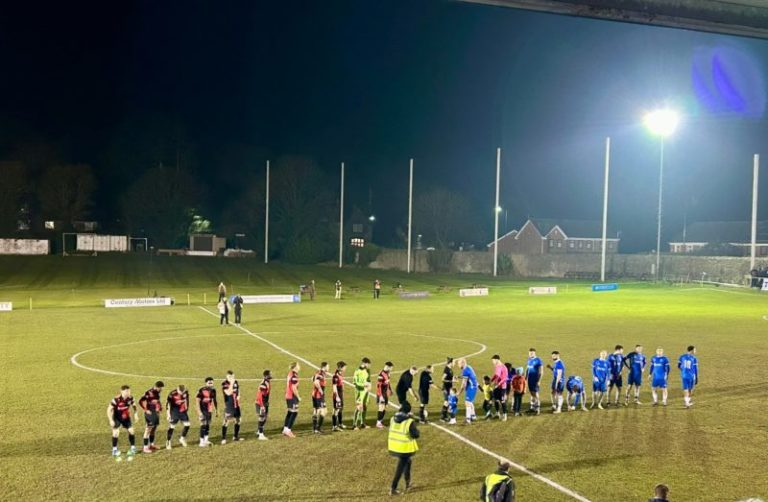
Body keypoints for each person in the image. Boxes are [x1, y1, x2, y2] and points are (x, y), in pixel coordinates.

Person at [388, 401, 420, 496]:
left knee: (408, 462)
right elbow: (416, 435)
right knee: (400, 468)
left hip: (393, 446)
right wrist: (412, 419)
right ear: (408, 411)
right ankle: (393, 488)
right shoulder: (409, 421)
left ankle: (408, 484)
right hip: (404, 448)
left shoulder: (392, 419)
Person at [107, 385, 138, 459]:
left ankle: (133, 447)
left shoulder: (131, 398)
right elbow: (109, 409)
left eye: (129, 391)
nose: (128, 393)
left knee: (131, 431)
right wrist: (111, 420)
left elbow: (134, 405)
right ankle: (114, 449)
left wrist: (136, 414)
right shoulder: (116, 399)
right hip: (117, 418)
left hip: (126, 417)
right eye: (126, 391)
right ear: (122, 391)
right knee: (115, 433)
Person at [138, 381, 164, 453]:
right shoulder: (148, 393)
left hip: (155, 413)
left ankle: (151, 445)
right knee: (148, 429)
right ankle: (145, 447)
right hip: (149, 413)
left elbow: (157, 402)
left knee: (154, 429)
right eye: (160, 388)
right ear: (157, 387)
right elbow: (140, 401)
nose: (161, 390)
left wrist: (160, 407)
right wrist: (145, 410)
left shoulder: (157, 393)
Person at [165, 384, 190, 449]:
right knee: (172, 426)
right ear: (177, 390)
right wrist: (168, 414)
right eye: (180, 392)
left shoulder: (186, 392)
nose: (182, 393)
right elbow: (168, 404)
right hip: (174, 412)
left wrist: (186, 409)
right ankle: (168, 441)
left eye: (183, 392)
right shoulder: (172, 394)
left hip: (182, 411)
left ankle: (182, 438)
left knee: (187, 425)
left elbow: (187, 400)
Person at [221, 370, 243, 444]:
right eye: (230, 376)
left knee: (238, 420)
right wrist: (232, 383)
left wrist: (239, 395)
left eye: (233, 376)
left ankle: (235, 437)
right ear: (227, 376)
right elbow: (228, 392)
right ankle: (223, 438)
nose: (232, 378)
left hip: (236, 404)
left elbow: (238, 389)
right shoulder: (224, 383)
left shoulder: (235, 382)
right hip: (229, 405)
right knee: (226, 421)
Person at [196, 377, 218, 447]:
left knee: (208, 424)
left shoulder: (213, 390)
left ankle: (206, 440)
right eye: (209, 383)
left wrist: (216, 410)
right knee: (203, 424)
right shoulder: (202, 390)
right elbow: (197, 401)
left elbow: (214, 400)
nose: (211, 384)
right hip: (202, 410)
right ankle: (201, 442)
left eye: (212, 382)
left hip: (209, 410)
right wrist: (199, 412)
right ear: (206, 383)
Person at [353, 357, 372, 429]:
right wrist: (364, 387)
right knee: (359, 407)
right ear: (364, 363)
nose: (369, 366)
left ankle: (362, 423)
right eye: (368, 364)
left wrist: (369, 387)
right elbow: (355, 383)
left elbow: (368, 380)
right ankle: (354, 425)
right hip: (359, 391)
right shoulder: (357, 371)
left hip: (365, 391)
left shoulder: (368, 371)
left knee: (365, 406)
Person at [457, 358, 478, 424]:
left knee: (467, 402)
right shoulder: (469, 367)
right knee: (470, 402)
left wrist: (459, 392)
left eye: (459, 364)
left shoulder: (465, 371)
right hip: (473, 386)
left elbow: (464, 384)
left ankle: (468, 419)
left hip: (471, 387)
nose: (458, 365)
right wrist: (459, 377)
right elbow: (470, 376)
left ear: (463, 363)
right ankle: (473, 416)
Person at [283, 362, 301, 437]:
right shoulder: (294, 376)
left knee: (290, 412)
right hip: (292, 396)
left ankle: (285, 429)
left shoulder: (291, 373)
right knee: (294, 412)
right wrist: (298, 397)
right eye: (298, 365)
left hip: (288, 395)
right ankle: (288, 430)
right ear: (295, 367)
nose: (299, 366)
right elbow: (293, 388)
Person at [311, 362, 329, 434]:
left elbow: (312, 378)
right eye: (328, 367)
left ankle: (314, 428)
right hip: (319, 395)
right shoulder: (321, 374)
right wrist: (321, 390)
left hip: (314, 394)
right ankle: (318, 428)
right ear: (324, 367)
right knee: (324, 411)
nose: (328, 368)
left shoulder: (319, 372)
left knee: (316, 410)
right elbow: (316, 382)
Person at [490, 355, 509, 421]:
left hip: (502, 387)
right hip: (497, 386)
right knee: (496, 399)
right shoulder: (498, 366)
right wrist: (491, 380)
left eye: (493, 360)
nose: (492, 362)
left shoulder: (502, 367)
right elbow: (496, 375)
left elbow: (504, 378)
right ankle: (497, 413)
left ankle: (505, 415)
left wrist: (498, 384)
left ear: (496, 359)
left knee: (502, 401)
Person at [524, 349, 543, 415]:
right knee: (532, 393)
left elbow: (541, 372)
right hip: (530, 379)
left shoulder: (538, 360)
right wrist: (525, 378)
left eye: (532, 353)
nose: (531, 354)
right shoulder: (529, 360)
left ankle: (537, 409)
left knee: (536, 394)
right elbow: (527, 369)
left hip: (535, 380)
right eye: (530, 353)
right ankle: (532, 408)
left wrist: (539, 381)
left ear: (535, 353)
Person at [376, 362, 394, 429]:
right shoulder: (381, 374)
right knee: (381, 407)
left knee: (384, 407)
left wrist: (390, 389)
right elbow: (379, 386)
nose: (392, 369)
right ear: (388, 367)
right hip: (381, 394)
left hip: (385, 393)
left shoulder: (388, 373)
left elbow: (388, 383)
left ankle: (380, 421)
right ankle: (378, 423)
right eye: (391, 368)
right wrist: (381, 396)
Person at [255, 369, 272, 440]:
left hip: (264, 403)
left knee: (265, 417)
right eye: (270, 374)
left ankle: (259, 431)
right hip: (260, 403)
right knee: (262, 418)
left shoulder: (267, 382)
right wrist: (262, 406)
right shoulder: (264, 384)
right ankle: (261, 435)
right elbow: (260, 396)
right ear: (266, 376)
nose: (271, 375)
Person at [331, 361, 347, 431]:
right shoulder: (335, 376)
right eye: (344, 367)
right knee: (336, 410)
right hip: (337, 396)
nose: (345, 368)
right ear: (340, 367)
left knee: (340, 409)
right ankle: (334, 426)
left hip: (340, 395)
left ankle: (340, 424)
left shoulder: (340, 374)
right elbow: (334, 387)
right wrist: (337, 397)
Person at [440, 357, 455, 421]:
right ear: (451, 362)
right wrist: (451, 381)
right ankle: (443, 417)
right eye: (454, 362)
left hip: (449, 388)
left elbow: (450, 378)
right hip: (446, 388)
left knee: (447, 401)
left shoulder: (450, 369)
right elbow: (442, 379)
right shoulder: (447, 369)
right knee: (446, 402)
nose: (455, 363)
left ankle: (445, 415)